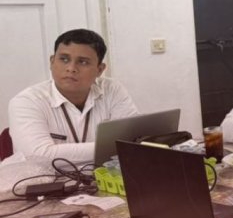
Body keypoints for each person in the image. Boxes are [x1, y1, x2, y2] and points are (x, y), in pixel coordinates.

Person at [7, 29, 138, 164]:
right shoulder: (26, 102)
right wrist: (114, 146)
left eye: (83, 62)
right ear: (52, 62)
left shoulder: (112, 90)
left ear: (99, 70)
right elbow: (38, 156)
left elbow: (133, 138)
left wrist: (120, 145)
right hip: (46, 176)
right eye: (64, 59)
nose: (71, 68)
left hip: (103, 174)